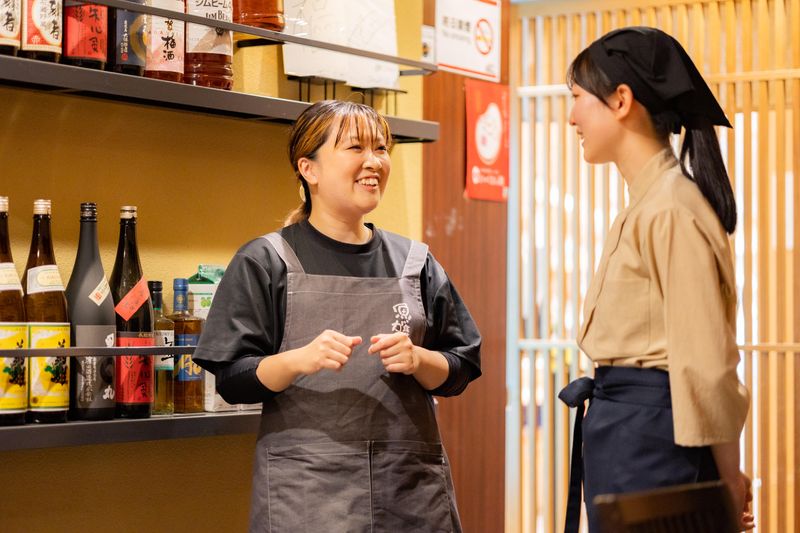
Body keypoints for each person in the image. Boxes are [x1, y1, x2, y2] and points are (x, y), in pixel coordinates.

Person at [193, 100, 482, 532]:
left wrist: (420, 360)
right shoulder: (266, 260)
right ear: (308, 169)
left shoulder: (416, 262)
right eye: (355, 148)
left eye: (381, 149)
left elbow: (462, 366)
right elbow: (232, 380)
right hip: (307, 493)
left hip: (410, 489)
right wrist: (297, 361)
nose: (374, 162)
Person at [558, 27, 754, 532]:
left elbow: (705, 361)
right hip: (627, 433)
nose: (572, 115)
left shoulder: (671, 206)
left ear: (621, 100)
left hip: (654, 442)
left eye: (578, 98)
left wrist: (728, 480)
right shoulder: (651, 201)